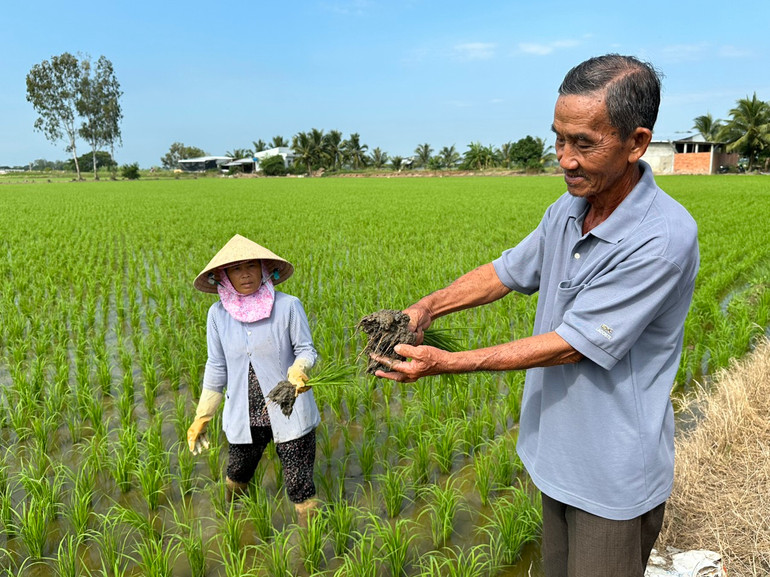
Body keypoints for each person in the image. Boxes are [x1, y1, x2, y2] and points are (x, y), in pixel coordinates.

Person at [373, 54, 699, 577]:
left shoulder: (660, 238)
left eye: (584, 143)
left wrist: (447, 363)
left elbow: (573, 344)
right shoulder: (567, 208)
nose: (564, 160)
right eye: (559, 139)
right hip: (554, 456)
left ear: (636, 143)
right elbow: (505, 272)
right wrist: (426, 307)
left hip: (610, 476)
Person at [187, 234, 320, 524]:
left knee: (300, 486)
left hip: (290, 409)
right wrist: (202, 416)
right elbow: (216, 365)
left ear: (264, 268)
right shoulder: (217, 315)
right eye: (236, 268)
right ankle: (233, 525)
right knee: (237, 474)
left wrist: (299, 368)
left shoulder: (288, 306)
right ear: (224, 276)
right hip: (246, 415)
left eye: (251, 265)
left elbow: (306, 350)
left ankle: (311, 547)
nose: (245, 274)